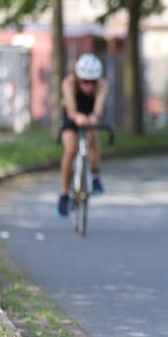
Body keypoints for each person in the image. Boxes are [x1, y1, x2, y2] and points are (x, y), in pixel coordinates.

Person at [58, 53, 109, 217]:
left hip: (90, 114)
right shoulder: (68, 83)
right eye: (85, 81)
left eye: (93, 82)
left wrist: (95, 117)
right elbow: (71, 109)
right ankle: (64, 194)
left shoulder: (102, 85)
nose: (90, 86)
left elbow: (99, 108)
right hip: (72, 115)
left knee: (93, 135)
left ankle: (95, 176)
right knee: (71, 149)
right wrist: (76, 117)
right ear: (78, 78)